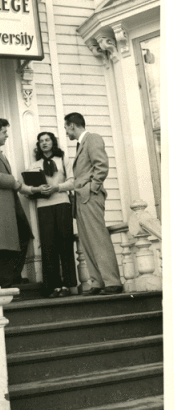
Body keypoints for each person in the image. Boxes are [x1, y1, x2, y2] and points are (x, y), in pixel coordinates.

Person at [0, 118, 45, 288]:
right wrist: (12, 180)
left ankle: (12, 279)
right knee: (2, 248)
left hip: (9, 206)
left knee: (22, 236)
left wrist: (29, 189)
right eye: (5, 132)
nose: (7, 135)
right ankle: (3, 288)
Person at [64, 112, 122, 295]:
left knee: (98, 239)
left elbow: (101, 166)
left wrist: (92, 188)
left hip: (90, 197)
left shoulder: (93, 139)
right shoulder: (80, 144)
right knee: (87, 241)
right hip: (80, 199)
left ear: (72, 125)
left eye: (66, 127)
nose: (66, 131)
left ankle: (112, 281)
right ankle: (97, 282)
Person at [29, 132, 77, 297]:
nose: (44, 143)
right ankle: (54, 286)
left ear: (53, 142)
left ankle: (68, 285)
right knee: (48, 246)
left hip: (62, 204)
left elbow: (73, 182)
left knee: (65, 243)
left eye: (47, 140)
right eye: (41, 141)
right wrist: (38, 189)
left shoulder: (63, 160)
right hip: (44, 206)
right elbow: (29, 190)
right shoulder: (34, 165)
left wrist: (57, 187)